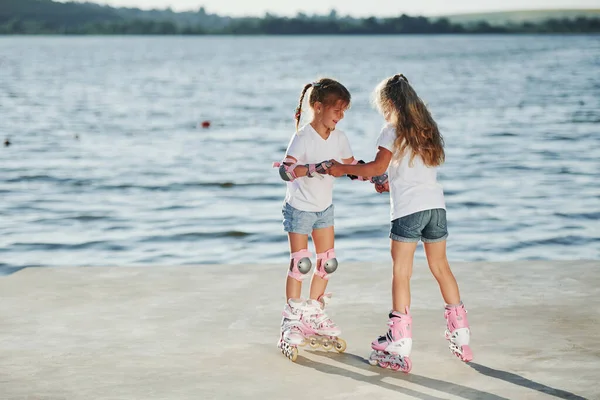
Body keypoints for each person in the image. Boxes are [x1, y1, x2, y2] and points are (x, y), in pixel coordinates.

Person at [326, 74, 472, 372]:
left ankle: (399, 342)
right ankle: (461, 335)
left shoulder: (391, 130)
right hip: (436, 208)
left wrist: (341, 168)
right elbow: (409, 173)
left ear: (389, 103)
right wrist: (387, 182)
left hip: (408, 211)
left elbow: (377, 166)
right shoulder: (425, 130)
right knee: (441, 268)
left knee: (401, 272)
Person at [273, 78, 366, 361]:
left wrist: (375, 175)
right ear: (318, 107)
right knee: (301, 263)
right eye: (337, 111)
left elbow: (351, 167)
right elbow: (285, 172)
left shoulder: (339, 139)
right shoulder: (302, 137)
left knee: (328, 262)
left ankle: (313, 313)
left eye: (344, 112)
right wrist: (315, 168)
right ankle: (292, 318)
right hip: (300, 207)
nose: (340, 117)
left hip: (324, 208)